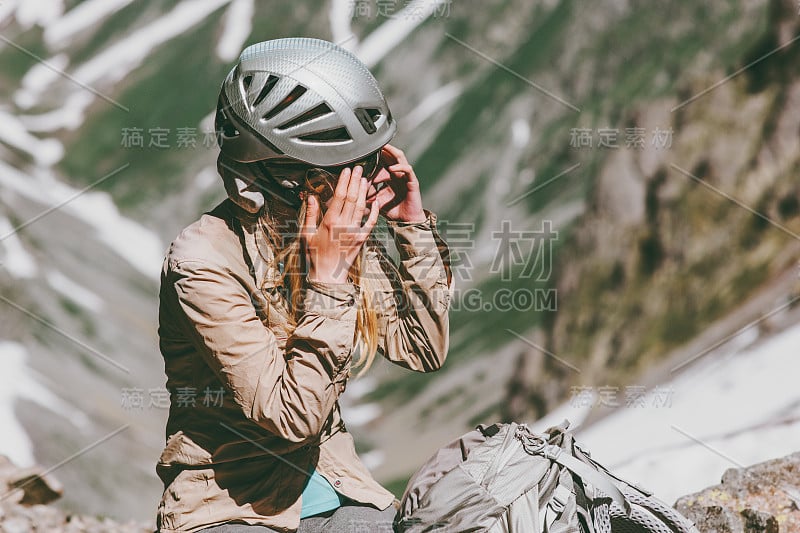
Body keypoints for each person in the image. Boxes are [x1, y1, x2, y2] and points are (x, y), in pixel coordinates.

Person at [155, 38, 453, 532]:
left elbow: (423, 348)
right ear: (279, 177)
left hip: (336, 483)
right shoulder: (201, 263)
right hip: (229, 505)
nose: (355, 187)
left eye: (363, 166)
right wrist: (330, 276)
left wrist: (411, 227)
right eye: (339, 172)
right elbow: (291, 416)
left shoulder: (328, 234)